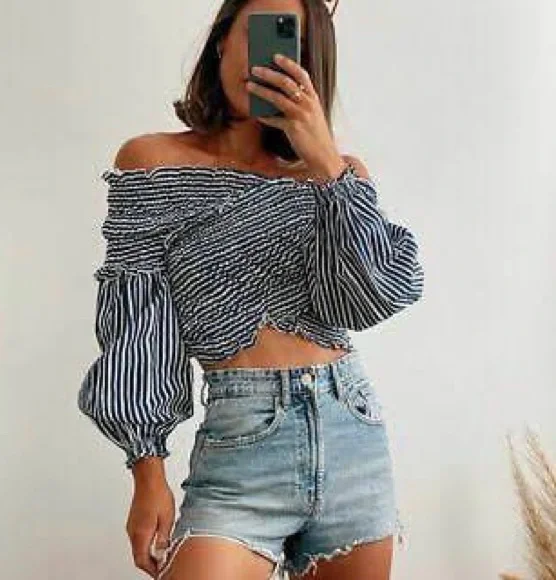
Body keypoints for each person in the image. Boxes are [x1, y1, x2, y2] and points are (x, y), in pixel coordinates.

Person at [78, 0, 425, 578]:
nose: (269, 58)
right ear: (222, 40)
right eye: (261, 33)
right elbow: (135, 324)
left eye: (291, 44)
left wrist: (325, 161)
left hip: (351, 435)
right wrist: (147, 470)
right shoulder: (151, 162)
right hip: (240, 443)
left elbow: (369, 299)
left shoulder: (339, 175)